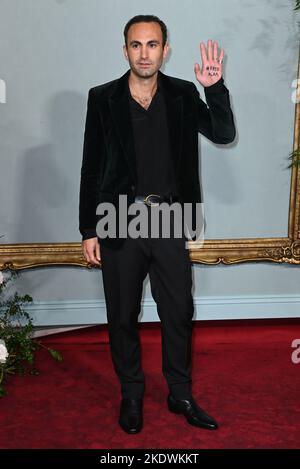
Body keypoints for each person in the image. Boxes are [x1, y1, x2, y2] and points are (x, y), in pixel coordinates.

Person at [79, 14, 236, 434]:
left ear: (165, 50)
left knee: (179, 311)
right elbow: (90, 167)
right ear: (125, 48)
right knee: (122, 314)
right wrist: (87, 229)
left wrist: (214, 88)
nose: (144, 53)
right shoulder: (102, 98)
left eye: (152, 44)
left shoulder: (184, 94)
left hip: (171, 216)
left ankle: (179, 393)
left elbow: (223, 133)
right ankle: (131, 393)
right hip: (119, 217)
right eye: (136, 44)